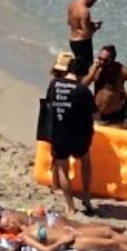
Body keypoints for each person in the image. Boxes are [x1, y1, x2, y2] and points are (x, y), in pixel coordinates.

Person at [43, 52, 95, 213]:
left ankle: (70, 206)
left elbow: (49, 104)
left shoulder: (54, 84)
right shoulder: (83, 91)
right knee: (85, 162)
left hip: (59, 133)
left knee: (62, 168)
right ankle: (86, 197)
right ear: (83, 73)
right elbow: (95, 114)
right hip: (79, 135)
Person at [85, 45, 127, 129]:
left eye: (105, 60)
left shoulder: (121, 70)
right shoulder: (95, 68)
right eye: (100, 58)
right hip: (97, 114)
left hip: (115, 116)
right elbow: (83, 85)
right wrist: (92, 74)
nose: (102, 62)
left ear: (112, 60)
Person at [66, 0, 101, 75]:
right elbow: (87, 32)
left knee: (78, 68)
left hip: (73, 41)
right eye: (93, 1)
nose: (92, 4)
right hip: (83, 44)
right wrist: (95, 27)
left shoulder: (72, 5)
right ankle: (80, 88)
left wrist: (89, 25)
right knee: (86, 71)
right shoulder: (85, 12)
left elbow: (69, 22)